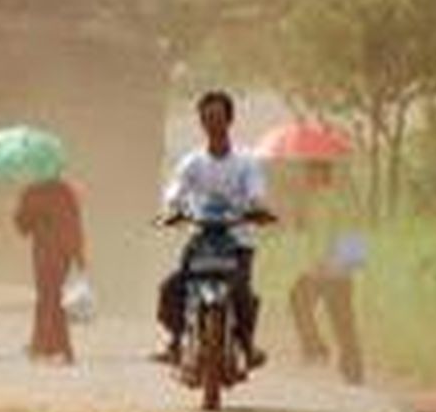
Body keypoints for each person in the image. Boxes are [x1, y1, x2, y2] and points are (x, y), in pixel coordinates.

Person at [154, 90, 273, 367]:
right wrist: (173, 207)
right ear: (201, 122)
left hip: (238, 241)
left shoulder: (247, 161)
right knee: (172, 288)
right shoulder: (192, 162)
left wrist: (256, 207)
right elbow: (175, 189)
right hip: (201, 238)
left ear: (229, 120)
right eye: (207, 118)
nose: (212, 124)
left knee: (242, 291)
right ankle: (175, 340)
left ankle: (247, 344)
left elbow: (256, 192)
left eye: (218, 117)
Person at [284, 159, 367, 384]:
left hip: (331, 269)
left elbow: (350, 229)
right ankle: (337, 360)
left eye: (311, 172)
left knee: (336, 317)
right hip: (323, 268)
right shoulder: (313, 200)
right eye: (307, 172)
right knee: (307, 303)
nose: (307, 176)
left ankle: (335, 360)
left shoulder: (332, 200)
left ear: (322, 174)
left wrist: (343, 262)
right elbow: (301, 227)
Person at [14, 176, 86, 365]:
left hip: (45, 252)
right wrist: (79, 255)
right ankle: (48, 346)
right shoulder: (66, 191)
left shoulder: (33, 191)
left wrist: (21, 206)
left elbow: (22, 226)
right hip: (65, 253)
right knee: (52, 298)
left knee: (48, 299)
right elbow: (75, 223)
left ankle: (50, 348)